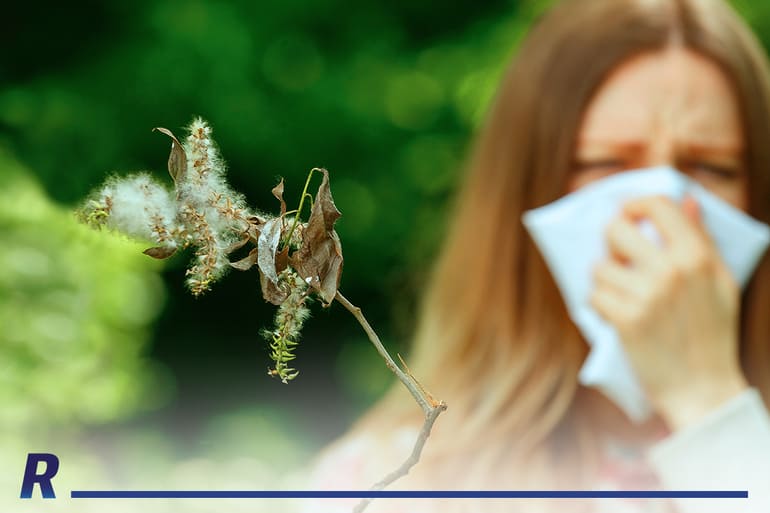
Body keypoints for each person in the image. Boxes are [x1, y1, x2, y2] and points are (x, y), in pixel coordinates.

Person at [308, 1, 770, 512]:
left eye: (713, 168)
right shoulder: (391, 485)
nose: (659, 209)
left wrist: (709, 403)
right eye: (605, 163)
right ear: (525, 192)